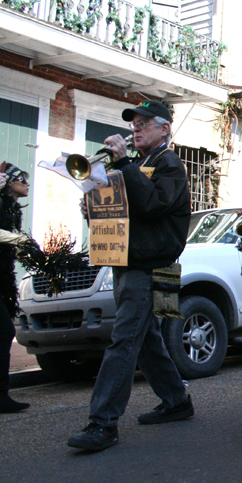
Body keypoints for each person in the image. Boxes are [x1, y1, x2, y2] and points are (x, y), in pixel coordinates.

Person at [68, 100, 194, 451]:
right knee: (146, 340)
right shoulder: (139, 164)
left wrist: (123, 162)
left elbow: (154, 205)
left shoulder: (169, 164)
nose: (135, 129)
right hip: (127, 260)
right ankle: (176, 401)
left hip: (147, 265)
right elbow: (128, 213)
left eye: (143, 123)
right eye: (134, 124)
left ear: (164, 128)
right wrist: (93, 210)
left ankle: (103, 424)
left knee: (124, 341)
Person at [0, 164, 32, 413]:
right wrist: (20, 240)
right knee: (4, 331)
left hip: (2, 279)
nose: (27, 183)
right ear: (10, 182)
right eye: (22, 179)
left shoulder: (12, 208)